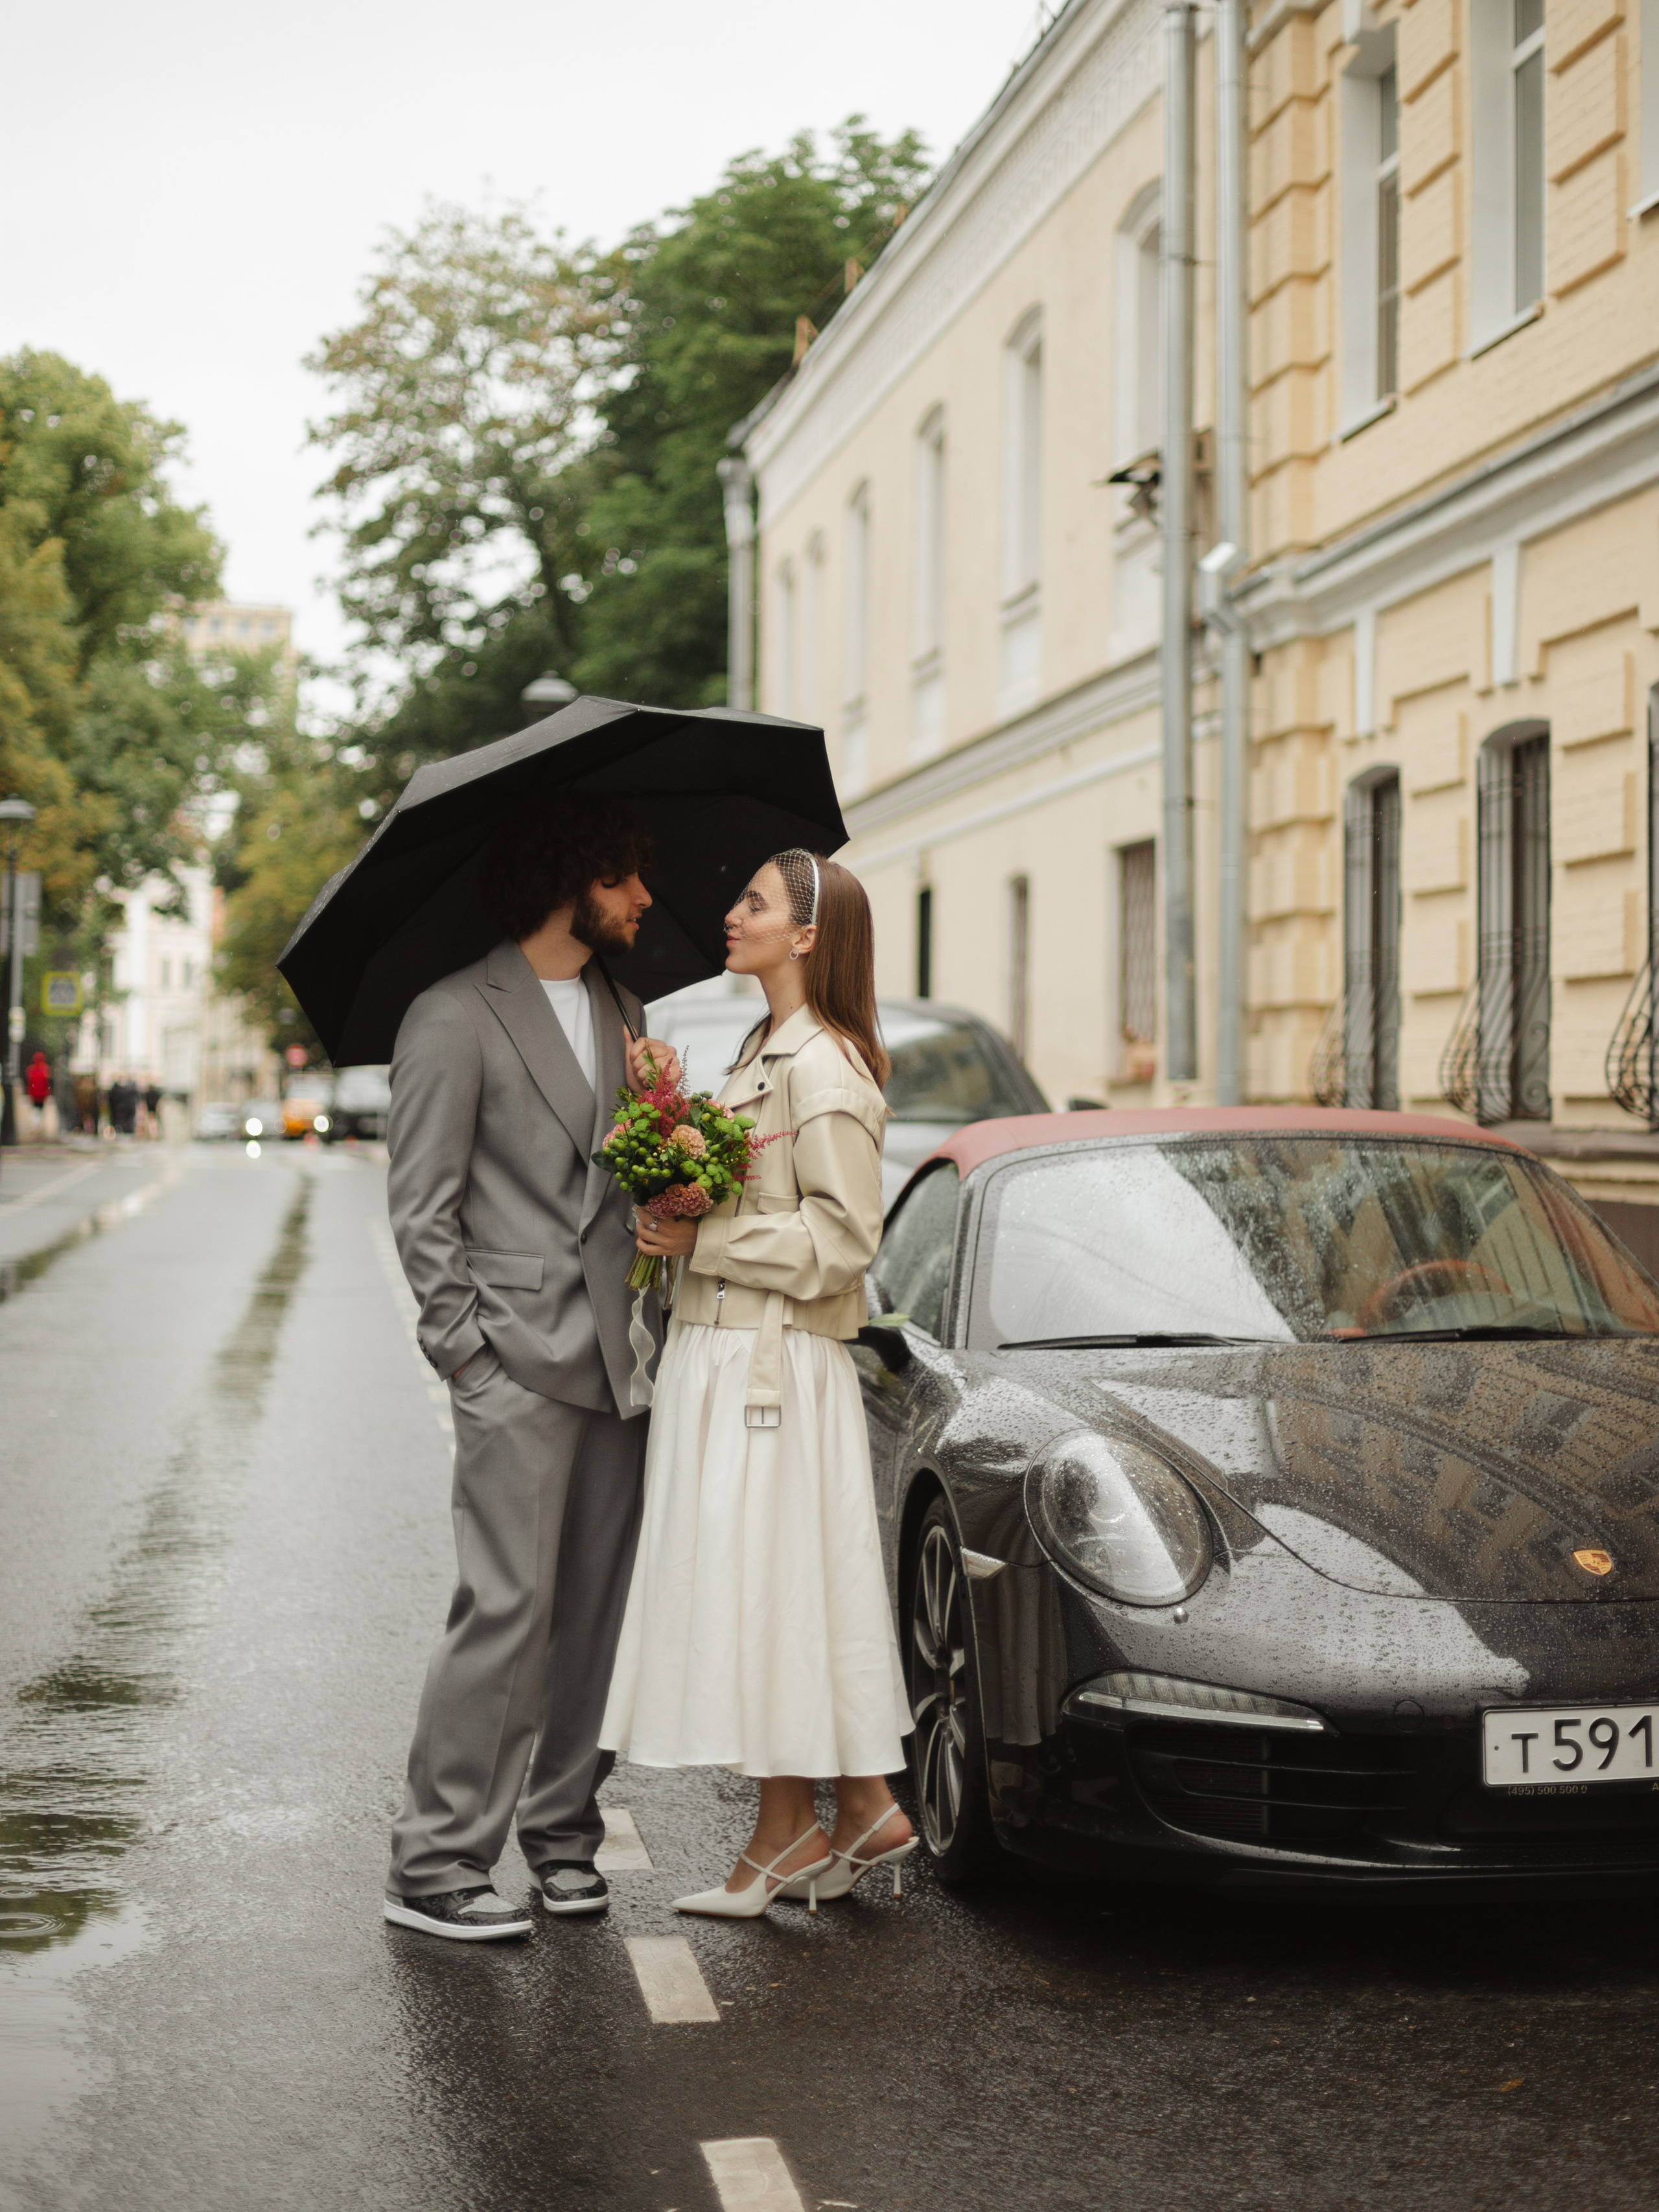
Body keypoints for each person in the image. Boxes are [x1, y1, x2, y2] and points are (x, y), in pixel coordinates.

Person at [382, 793, 683, 1942]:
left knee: (599, 1615)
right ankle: (436, 1860)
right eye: (625, 874)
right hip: (512, 1356)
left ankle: (562, 1835)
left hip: (622, 1356)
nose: (645, 897)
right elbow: (423, 1207)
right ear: (570, 877)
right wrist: (466, 1354)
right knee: (506, 1608)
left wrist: (674, 1172)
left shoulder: (628, 1010)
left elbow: (624, 1181)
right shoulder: (453, 1013)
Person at [600, 850, 915, 1918]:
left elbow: (845, 1241)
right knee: (775, 1592)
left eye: (755, 903)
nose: (730, 915)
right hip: (733, 1356)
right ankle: (853, 1806)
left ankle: (797, 1828)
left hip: (768, 1369)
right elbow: (753, 1201)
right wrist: (667, 1141)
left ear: (809, 936)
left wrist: (706, 1240)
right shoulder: (765, 1051)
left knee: (771, 1591)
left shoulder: (822, 1066)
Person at [25, 1050, 51, 1139]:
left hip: (34, 1094)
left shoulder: (31, 1070)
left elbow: (29, 1083)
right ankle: (38, 1127)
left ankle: (36, 1126)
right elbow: (47, 1083)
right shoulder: (45, 1070)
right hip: (42, 1095)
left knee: (35, 1110)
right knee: (40, 1110)